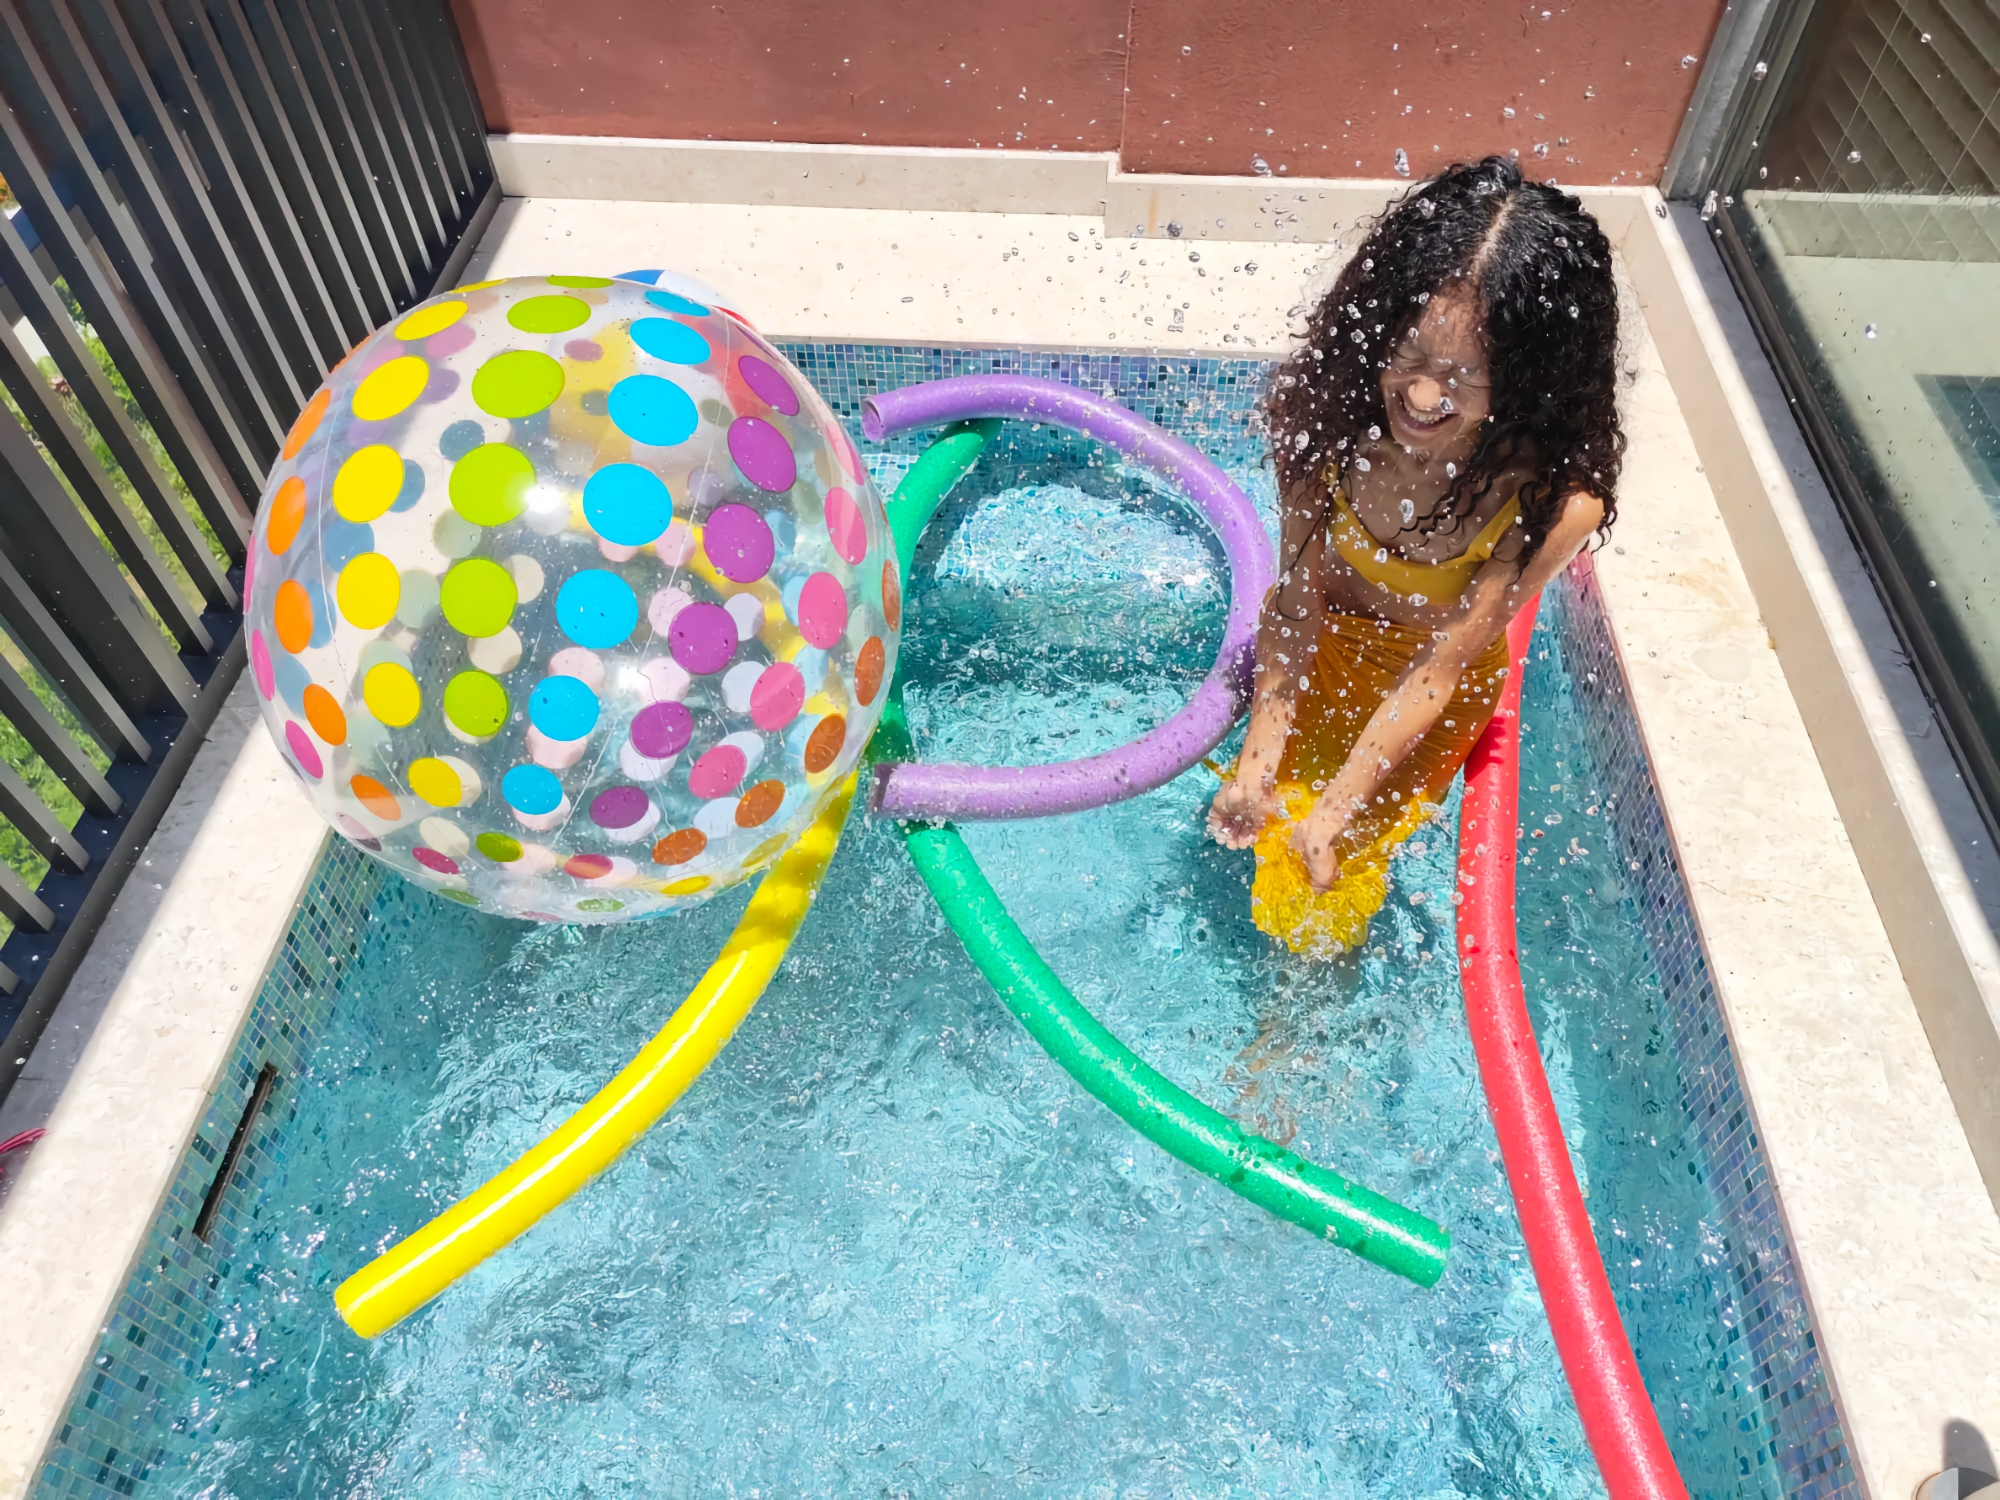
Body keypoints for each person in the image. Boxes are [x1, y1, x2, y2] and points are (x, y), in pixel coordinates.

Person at [1207, 157, 1624, 956]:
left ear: (1527, 380)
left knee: (1328, 892)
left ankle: (1290, 1031)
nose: (1425, 396)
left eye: (1465, 377)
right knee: (1257, 819)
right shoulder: (1322, 418)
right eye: (1412, 356)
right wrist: (1258, 762)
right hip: (1321, 653)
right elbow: (1293, 606)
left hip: (1426, 689)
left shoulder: (1548, 500)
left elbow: (1440, 669)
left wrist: (1337, 811)